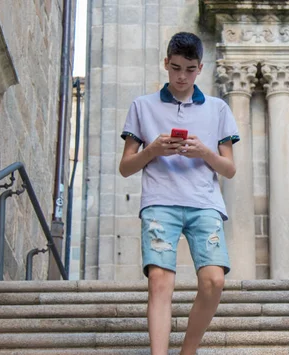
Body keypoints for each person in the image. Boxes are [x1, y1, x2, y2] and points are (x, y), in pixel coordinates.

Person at [118, 31, 239, 355]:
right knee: (160, 281)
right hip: (160, 202)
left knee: (214, 281)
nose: (181, 76)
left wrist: (204, 153)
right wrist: (153, 149)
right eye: (175, 68)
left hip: (205, 204)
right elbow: (126, 167)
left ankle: (188, 350)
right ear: (165, 64)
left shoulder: (218, 109)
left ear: (200, 68)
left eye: (189, 69)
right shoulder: (142, 106)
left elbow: (229, 169)